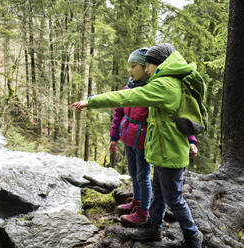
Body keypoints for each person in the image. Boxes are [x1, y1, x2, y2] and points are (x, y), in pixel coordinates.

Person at [72, 43, 203, 247]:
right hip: (163, 151)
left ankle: (193, 236)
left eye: (148, 64)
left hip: (170, 153)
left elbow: (128, 96)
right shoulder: (167, 81)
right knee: (159, 194)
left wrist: (92, 101)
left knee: (174, 199)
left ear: (157, 64)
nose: (147, 69)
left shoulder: (164, 85)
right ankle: (154, 228)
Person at [111, 47, 198, 227]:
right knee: (134, 174)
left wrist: (191, 140)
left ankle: (144, 210)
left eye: (134, 66)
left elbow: (179, 115)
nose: (130, 70)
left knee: (143, 176)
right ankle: (137, 202)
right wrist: (114, 136)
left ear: (146, 68)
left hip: (145, 141)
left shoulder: (156, 89)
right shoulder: (130, 86)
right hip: (128, 137)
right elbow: (119, 111)